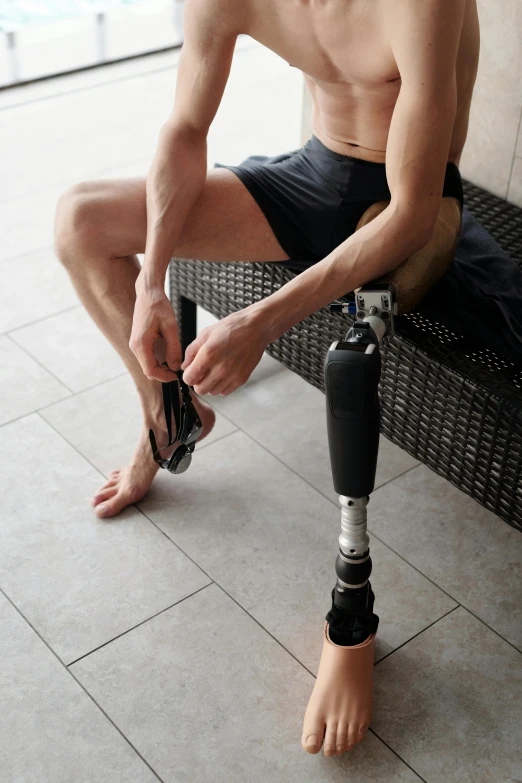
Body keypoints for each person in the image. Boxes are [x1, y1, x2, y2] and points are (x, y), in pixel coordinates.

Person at [54, 0, 479, 758]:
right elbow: (185, 132)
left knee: (348, 357)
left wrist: (261, 321)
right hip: (313, 175)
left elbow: (414, 211)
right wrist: (153, 277)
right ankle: (168, 414)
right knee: (80, 221)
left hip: (406, 201)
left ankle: (352, 613)